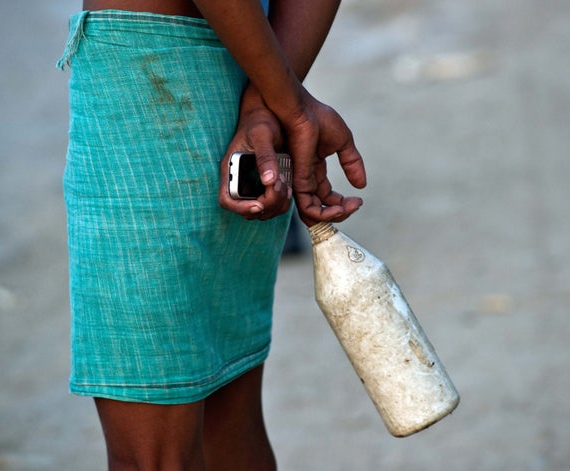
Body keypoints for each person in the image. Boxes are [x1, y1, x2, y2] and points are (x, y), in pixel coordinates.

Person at [57, 0, 366, 468]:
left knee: (155, 457)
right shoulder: (265, 96)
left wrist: (286, 105)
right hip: (254, 66)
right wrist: (272, 101)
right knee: (230, 420)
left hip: (147, 88)